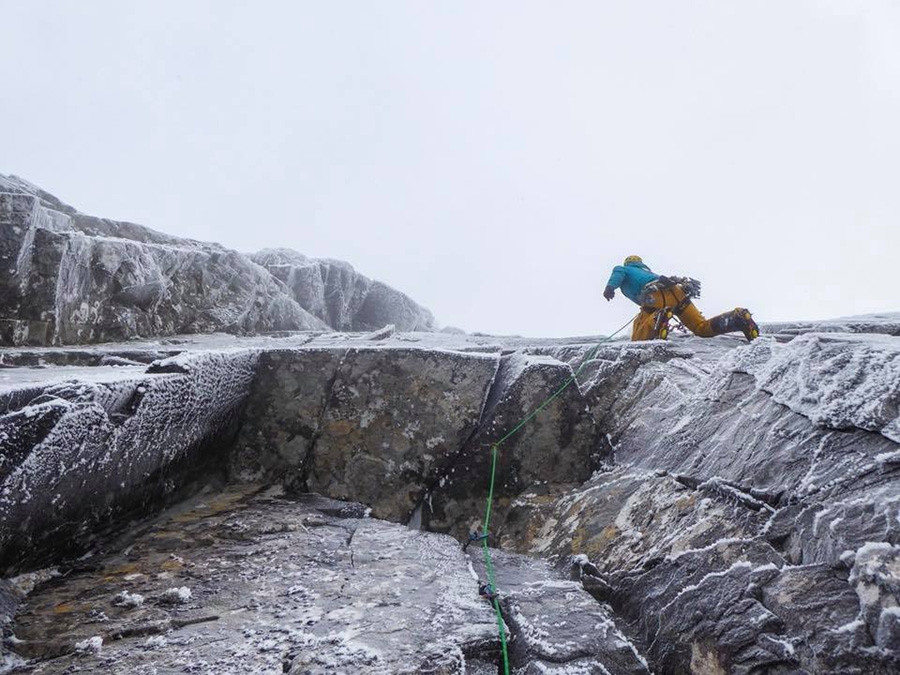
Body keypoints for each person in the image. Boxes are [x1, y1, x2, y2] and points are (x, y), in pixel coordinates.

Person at [603, 255, 759, 342]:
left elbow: (618, 274)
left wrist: (610, 287)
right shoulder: (649, 272)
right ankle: (736, 318)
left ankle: (659, 317)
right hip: (677, 292)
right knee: (700, 327)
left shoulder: (623, 269)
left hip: (655, 296)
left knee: (639, 329)